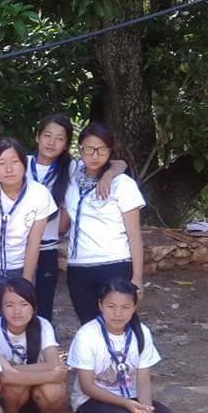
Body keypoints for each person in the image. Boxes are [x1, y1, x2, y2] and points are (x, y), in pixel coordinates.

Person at [68, 278, 178, 413]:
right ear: (100, 305)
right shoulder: (87, 335)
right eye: (111, 306)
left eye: (125, 307)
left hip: (131, 398)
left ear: (134, 307)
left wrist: (145, 407)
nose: (118, 313)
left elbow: (143, 376)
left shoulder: (141, 332)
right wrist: (127, 404)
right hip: (93, 400)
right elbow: (87, 386)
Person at [26, 115, 128, 321]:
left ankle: (42, 341)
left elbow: (119, 163)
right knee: (16, 300)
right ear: (37, 137)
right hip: (17, 245)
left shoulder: (72, 167)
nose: (52, 142)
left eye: (60, 138)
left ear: (67, 145)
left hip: (47, 248)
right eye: (47, 136)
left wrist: (108, 175)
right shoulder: (22, 163)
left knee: (43, 306)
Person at [61, 123, 146, 325]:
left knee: (120, 324)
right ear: (80, 149)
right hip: (78, 267)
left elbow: (134, 235)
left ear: (110, 151)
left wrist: (137, 278)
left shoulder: (122, 184)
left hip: (114, 264)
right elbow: (64, 223)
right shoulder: (72, 177)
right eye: (89, 149)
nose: (95, 155)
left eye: (102, 150)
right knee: (89, 326)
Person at [0, 138, 56, 321]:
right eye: (1, 163)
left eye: (14, 162)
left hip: (22, 269)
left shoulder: (39, 194)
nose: (8, 169)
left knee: (20, 324)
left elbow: (33, 244)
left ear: (24, 164)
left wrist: (25, 285)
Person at [0, 277, 66, 413]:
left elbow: (53, 362)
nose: (17, 311)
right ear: (1, 307)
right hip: (9, 397)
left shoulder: (43, 325)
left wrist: (14, 371)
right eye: (9, 305)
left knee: (55, 389)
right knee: (14, 386)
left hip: (38, 394)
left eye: (23, 304)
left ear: (33, 307)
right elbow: (5, 377)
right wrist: (51, 375)